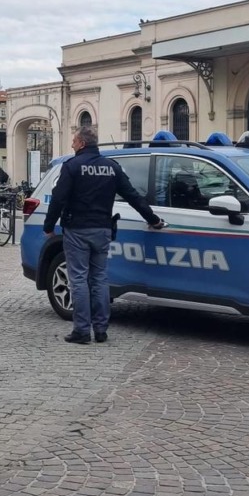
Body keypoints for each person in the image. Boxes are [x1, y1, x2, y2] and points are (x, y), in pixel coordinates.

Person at [43, 126, 165, 344]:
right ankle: (101, 330)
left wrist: (49, 226)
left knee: (78, 279)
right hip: (102, 229)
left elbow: (58, 198)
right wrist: (152, 219)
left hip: (78, 230)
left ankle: (81, 330)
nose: (71, 144)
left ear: (81, 143)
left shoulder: (72, 166)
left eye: (73, 141)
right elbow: (133, 196)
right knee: (99, 278)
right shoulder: (111, 167)